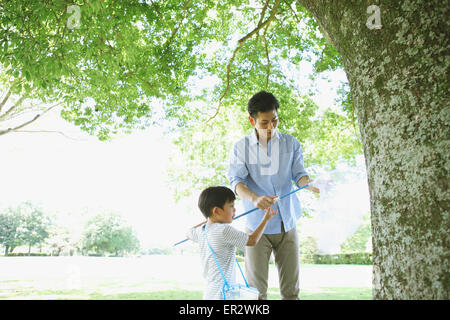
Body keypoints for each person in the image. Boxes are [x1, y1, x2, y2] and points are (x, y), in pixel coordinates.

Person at [228, 91, 320, 300]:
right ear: (252, 120)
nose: (271, 127)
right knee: (256, 293)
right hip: (256, 227)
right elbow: (236, 182)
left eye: (275, 121)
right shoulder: (241, 147)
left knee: (291, 292)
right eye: (264, 122)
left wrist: (310, 185)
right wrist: (254, 199)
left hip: (288, 223)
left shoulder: (291, 143)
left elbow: (300, 175)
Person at [187, 186, 277, 300]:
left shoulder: (201, 231)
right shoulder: (224, 230)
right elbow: (252, 240)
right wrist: (266, 219)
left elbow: (188, 232)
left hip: (210, 293)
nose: (235, 210)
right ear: (216, 210)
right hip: (223, 294)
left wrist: (209, 219)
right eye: (231, 206)